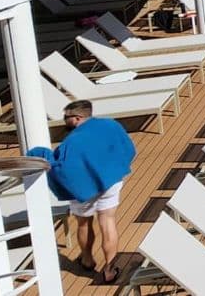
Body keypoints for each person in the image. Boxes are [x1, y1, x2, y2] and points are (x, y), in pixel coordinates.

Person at [28, 100, 135, 283]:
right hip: (111, 181)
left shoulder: (72, 141)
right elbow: (127, 147)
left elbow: (63, 169)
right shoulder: (110, 125)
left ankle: (87, 260)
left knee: (84, 223)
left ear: (77, 118)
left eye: (66, 117)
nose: (64, 120)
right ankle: (109, 270)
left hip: (84, 188)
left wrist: (41, 154)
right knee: (108, 222)